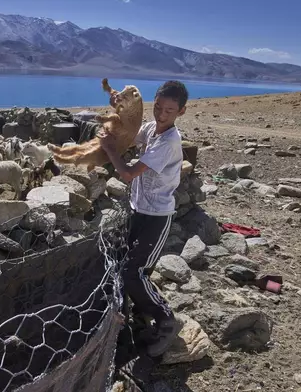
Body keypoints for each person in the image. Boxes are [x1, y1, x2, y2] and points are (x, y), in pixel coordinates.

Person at [99, 80, 187, 357]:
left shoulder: (169, 142)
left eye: (169, 111)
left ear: (180, 112)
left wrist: (110, 149)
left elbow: (127, 174)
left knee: (132, 271)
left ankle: (166, 321)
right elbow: (128, 136)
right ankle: (138, 321)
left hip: (156, 217)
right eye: (158, 107)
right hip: (139, 209)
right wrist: (119, 116)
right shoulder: (150, 129)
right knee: (135, 269)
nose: (161, 115)